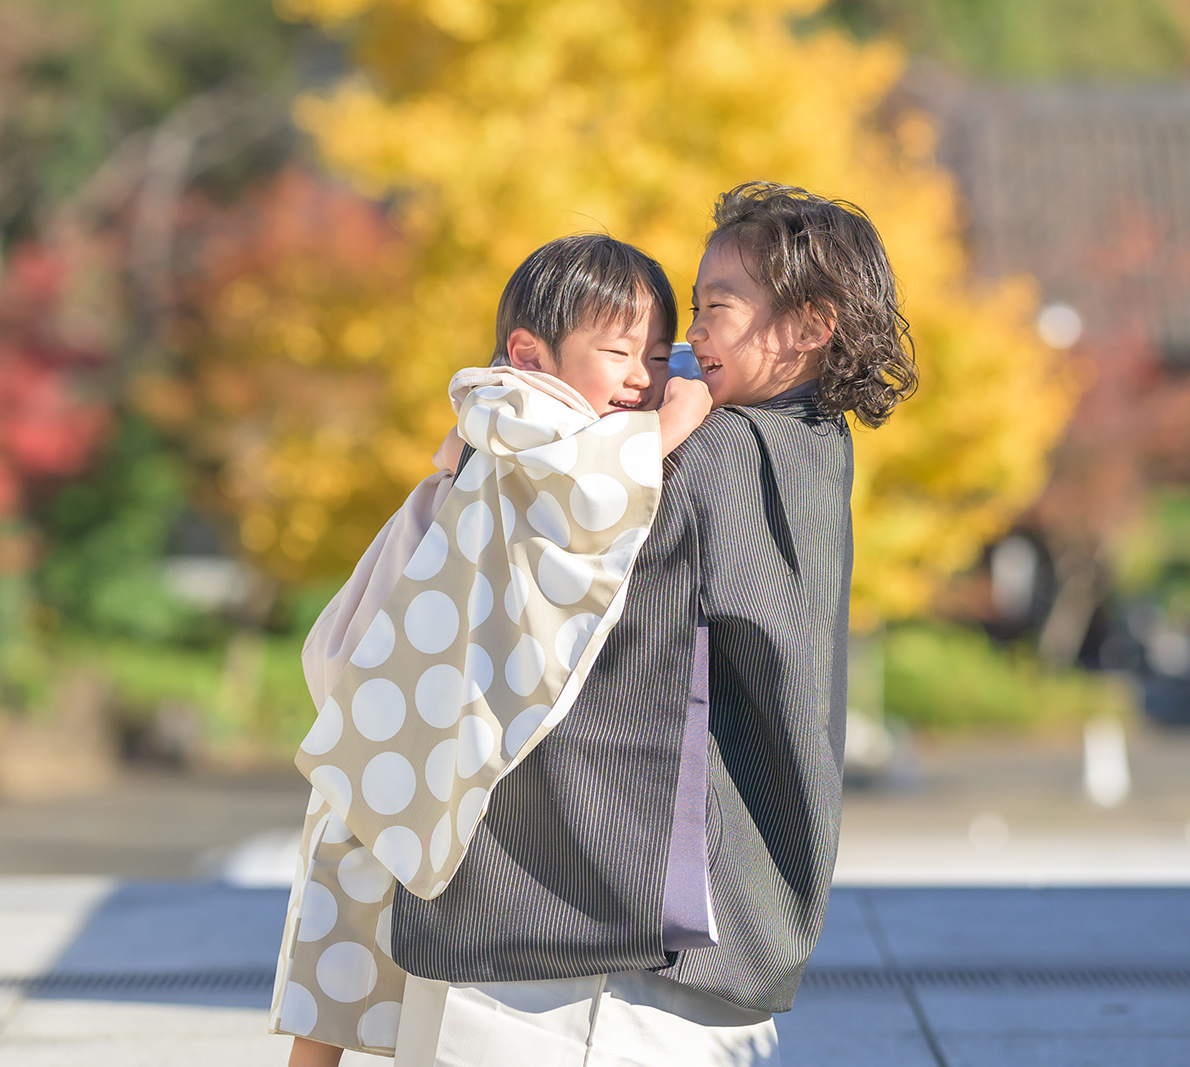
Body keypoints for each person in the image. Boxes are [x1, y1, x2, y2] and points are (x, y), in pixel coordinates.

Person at [377, 181, 918, 1066]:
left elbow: (532, 483)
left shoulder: (706, 453)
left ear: (812, 323)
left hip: (580, 925)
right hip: (699, 918)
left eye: (717, 306)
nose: (690, 335)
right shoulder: (810, 444)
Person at [274, 233, 713, 1066]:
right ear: (529, 353)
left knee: (361, 913)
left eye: (660, 357)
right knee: (353, 905)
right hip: (405, 684)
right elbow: (582, 489)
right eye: (617, 353)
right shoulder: (517, 408)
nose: (641, 379)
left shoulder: (524, 419)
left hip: (412, 686)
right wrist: (674, 421)